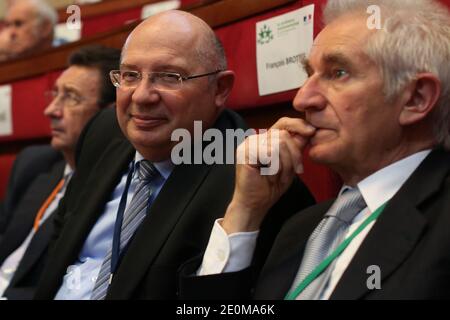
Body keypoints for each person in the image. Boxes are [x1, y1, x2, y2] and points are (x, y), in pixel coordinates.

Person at [33, 10, 314, 300]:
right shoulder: (103, 133)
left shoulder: (254, 182)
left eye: (169, 77)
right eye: (130, 75)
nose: (141, 96)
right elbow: (59, 246)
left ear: (220, 88)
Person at [179, 0, 450, 300]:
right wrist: (244, 212)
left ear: (416, 98)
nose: (302, 100)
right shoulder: (298, 229)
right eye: (308, 74)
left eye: (338, 73)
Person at [0, 45, 121, 300]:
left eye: (71, 97)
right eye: (55, 95)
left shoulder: (115, 192)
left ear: (111, 114)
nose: (51, 110)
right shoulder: (33, 163)